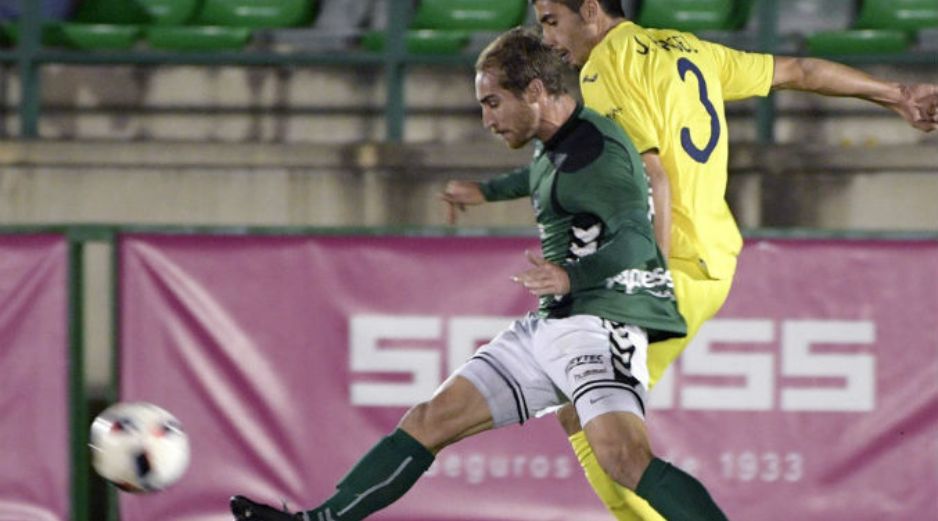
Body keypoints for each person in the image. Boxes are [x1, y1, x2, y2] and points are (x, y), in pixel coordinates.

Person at [230, 27, 735, 521]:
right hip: (554, 324)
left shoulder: (597, 153)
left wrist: (570, 277)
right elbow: (540, 178)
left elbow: (635, 240)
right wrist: (486, 192)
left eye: (493, 102)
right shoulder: (560, 138)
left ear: (535, 91)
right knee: (431, 419)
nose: (487, 119)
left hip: (603, 324)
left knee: (625, 460)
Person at [523, 1, 938, 520]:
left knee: (583, 411)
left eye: (550, 19)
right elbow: (799, 70)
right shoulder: (688, 48)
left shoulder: (607, 70)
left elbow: (653, 176)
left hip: (674, 261)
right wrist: (895, 94)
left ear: (589, 10)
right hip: (715, 253)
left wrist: (646, 278)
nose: (546, 36)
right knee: (585, 408)